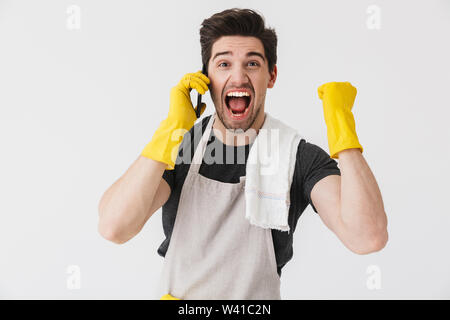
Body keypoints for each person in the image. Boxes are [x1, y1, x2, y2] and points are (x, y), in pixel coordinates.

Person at [98, 8, 388, 300]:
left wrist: (343, 131)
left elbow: (367, 237)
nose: (238, 77)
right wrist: (170, 129)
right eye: (223, 63)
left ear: (271, 75)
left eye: (252, 63)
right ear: (206, 77)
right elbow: (114, 227)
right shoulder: (178, 148)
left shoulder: (297, 157)